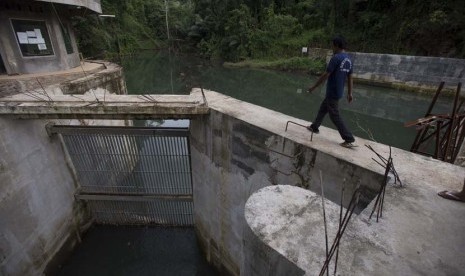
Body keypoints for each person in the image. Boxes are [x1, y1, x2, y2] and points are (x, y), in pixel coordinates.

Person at [307, 35, 355, 148]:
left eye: (332, 45)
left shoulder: (336, 58)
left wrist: (314, 87)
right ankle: (314, 127)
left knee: (334, 115)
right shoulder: (348, 59)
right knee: (323, 108)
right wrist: (350, 93)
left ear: (337, 45)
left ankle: (348, 138)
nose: (331, 47)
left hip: (332, 91)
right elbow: (350, 77)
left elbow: (326, 74)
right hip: (338, 91)